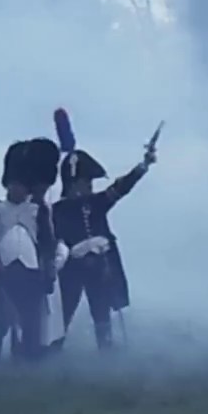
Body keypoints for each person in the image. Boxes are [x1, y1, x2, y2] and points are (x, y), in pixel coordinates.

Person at [53, 144, 154, 350]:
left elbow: (121, 187)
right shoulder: (58, 210)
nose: (89, 186)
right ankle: (52, 350)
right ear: (73, 183)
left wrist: (141, 167)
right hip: (72, 269)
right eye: (85, 181)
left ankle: (106, 350)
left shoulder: (96, 203)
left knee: (102, 313)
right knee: (64, 313)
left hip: (99, 268)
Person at [0, 139, 59, 363]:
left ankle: (29, 360)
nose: (18, 188)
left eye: (23, 184)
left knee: (31, 322)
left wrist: (48, 270)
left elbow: (46, 243)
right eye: (14, 183)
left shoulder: (39, 211)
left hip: (30, 271)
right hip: (1, 271)